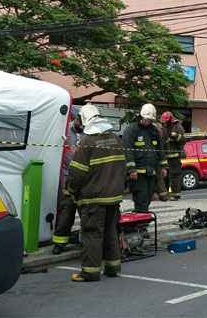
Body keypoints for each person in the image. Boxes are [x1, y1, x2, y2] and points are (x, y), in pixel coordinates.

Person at [67, 104, 126, 282]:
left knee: (92, 233)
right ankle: (113, 267)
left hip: (94, 198)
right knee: (110, 232)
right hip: (113, 197)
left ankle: (90, 272)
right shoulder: (115, 139)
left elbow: (77, 172)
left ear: (85, 119)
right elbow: (122, 167)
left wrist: (71, 189)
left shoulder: (87, 141)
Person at [52, 110, 84, 254]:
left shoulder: (89, 133)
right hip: (67, 178)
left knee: (86, 213)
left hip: (83, 179)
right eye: (80, 122)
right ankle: (60, 243)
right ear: (76, 119)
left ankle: (86, 240)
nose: (82, 126)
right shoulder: (65, 131)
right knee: (66, 212)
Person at [123, 103, 165, 212]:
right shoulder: (132, 130)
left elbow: (160, 149)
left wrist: (164, 166)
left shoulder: (154, 131)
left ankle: (141, 221)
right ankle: (139, 224)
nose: (149, 122)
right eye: (147, 119)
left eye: (151, 120)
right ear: (141, 117)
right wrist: (131, 170)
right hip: (138, 174)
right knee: (141, 198)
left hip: (151, 172)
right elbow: (127, 150)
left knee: (148, 197)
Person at [161, 111, 186, 201]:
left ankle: (175, 194)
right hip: (165, 155)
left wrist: (175, 136)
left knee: (175, 176)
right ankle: (165, 194)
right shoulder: (164, 126)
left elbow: (183, 140)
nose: (165, 123)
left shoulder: (177, 126)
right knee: (165, 175)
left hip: (175, 156)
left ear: (170, 119)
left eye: (166, 121)